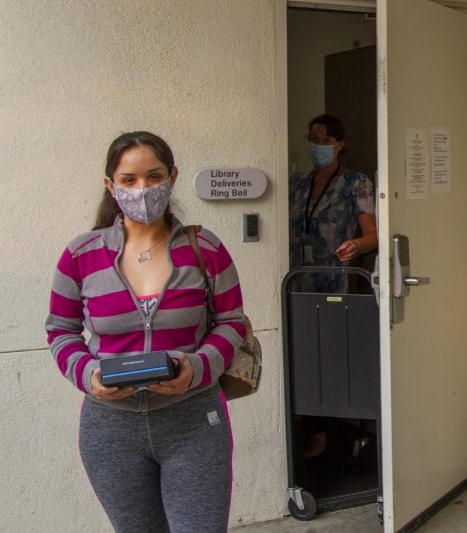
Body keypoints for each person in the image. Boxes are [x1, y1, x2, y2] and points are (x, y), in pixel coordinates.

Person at [45, 131, 245, 533]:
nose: (143, 189)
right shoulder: (80, 255)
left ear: (171, 177)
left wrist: (198, 367)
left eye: (154, 177)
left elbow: (233, 322)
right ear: (110, 186)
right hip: (111, 430)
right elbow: (60, 331)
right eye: (129, 180)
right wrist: (88, 376)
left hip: (193, 422)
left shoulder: (205, 248)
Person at [289, 114, 377, 293]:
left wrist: (356, 245)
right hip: (295, 278)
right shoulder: (296, 183)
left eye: (326, 140)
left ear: (339, 145)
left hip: (334, 279)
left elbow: (373, 236)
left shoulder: (356, 183)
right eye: (315, 139)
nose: (319, 145)